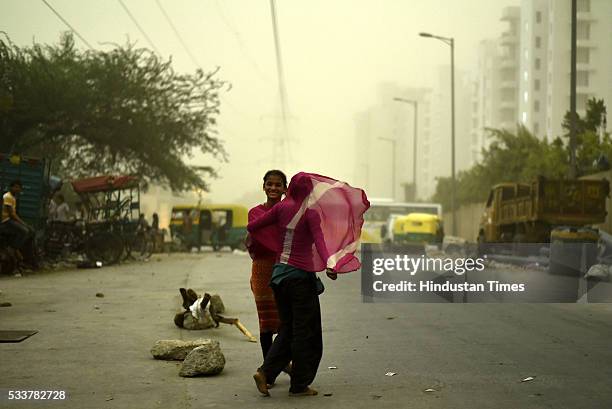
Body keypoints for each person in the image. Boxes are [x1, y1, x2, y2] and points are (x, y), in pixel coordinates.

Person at [248, 172, 369, 397]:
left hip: (278, 277)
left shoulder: (280, 209)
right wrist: (331, 265)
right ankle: (299, 384)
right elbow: (322, 245)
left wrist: (275, 247)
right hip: (300, 281)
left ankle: (266, 372)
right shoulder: (311, 214)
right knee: (306, 333)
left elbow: (254, 227)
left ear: (290, 188)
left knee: (289, 329)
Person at [246, 170, 287, 363]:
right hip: (262, 269)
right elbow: (261, 240)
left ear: (285, 189)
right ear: (263, 186)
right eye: (269, 184)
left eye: (278, 184)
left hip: (285, 268)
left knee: (285, 321)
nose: (273, 188)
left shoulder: (289, 212)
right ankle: (268, 367)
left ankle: (276, 365)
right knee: (266, 322)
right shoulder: (255, 212)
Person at [2, 180, 35, 263]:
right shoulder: (8, 197)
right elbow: (12, 214)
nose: (17, 189)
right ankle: (13, 248)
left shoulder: (13, 197)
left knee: (30, 231)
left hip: (9, 220)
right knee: (25, 230)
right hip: (5, 221)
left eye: (19, 187)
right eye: (15, 187)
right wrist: (23, 224)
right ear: (11, 187)